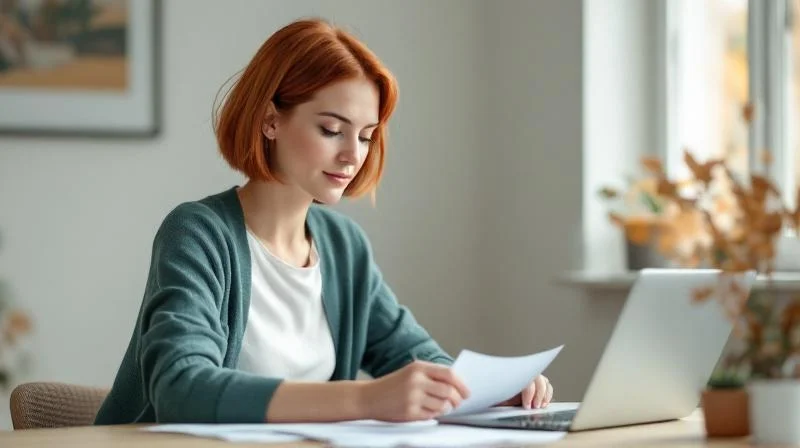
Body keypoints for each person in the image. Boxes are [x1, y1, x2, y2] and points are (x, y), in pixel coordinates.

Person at [94, 18, 553, 425]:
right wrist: (367, 398)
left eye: (367, 136)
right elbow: (182, 389)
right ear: (271, 120)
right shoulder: (199, 233)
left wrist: (487, 391)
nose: (353, 155)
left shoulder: (343, 245)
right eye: (332, 130)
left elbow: (411, 354)